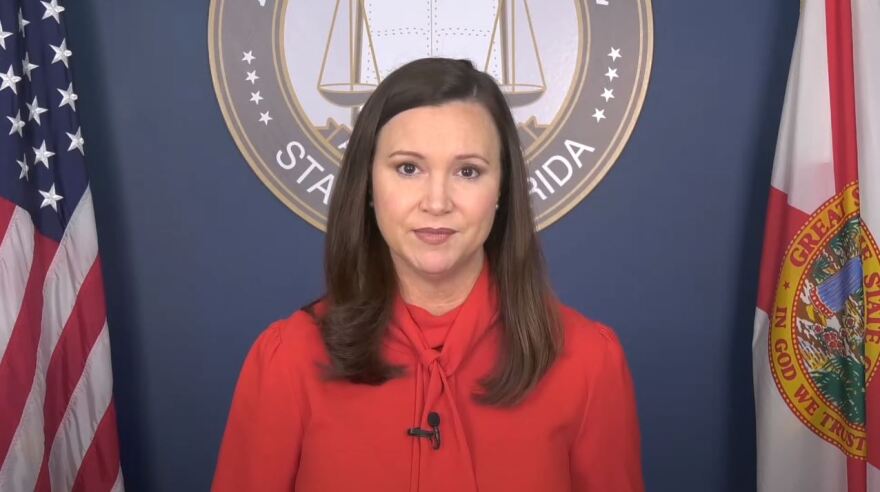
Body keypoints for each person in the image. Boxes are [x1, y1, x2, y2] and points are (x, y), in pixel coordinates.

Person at [212, 57, 643, 491]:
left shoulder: (590, 362)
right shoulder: (287, 360)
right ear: (368, 186)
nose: (437, 201)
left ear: (502, 191)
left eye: (468, 171)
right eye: (408, 168)